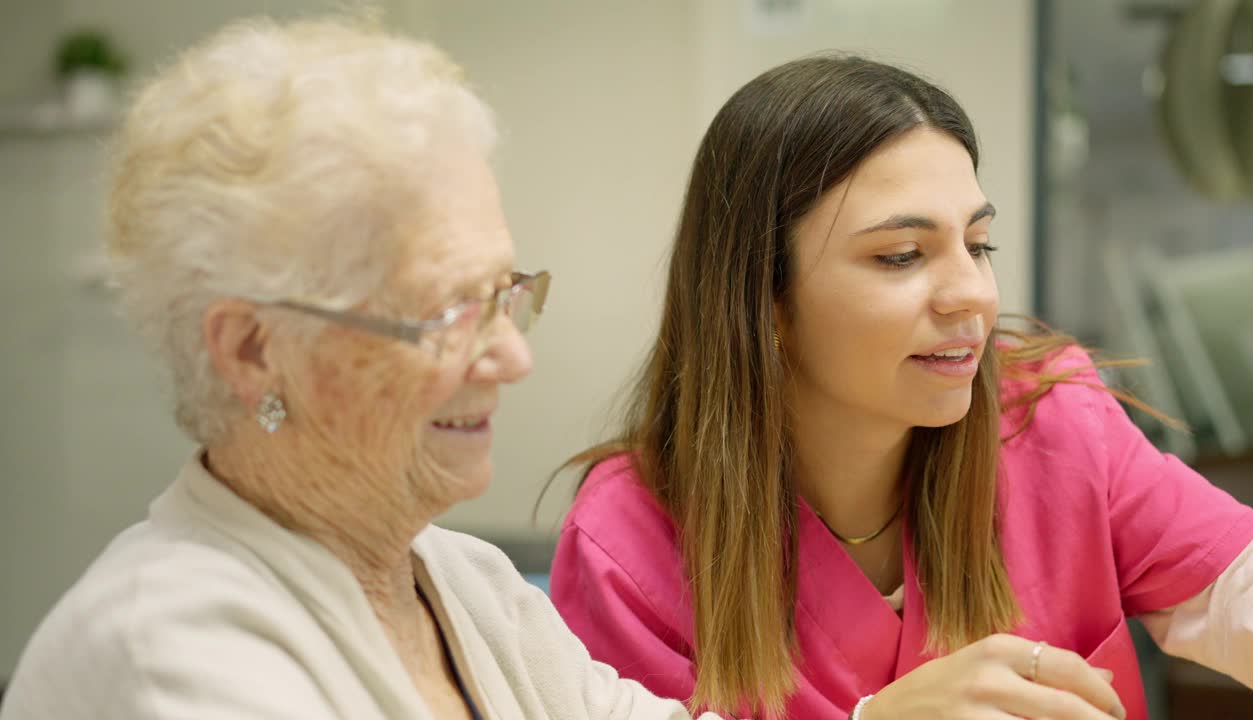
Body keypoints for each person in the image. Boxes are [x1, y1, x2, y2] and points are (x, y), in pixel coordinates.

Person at [0, 17, 725, 720]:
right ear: (254, 350)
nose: (513, 356)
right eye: (447, 312)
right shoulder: (167, 660)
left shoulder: (463, 580)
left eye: (504, 294)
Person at [549, 54, 1253, 720]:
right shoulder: (629, 543)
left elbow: (1248, 590)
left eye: (978, 244)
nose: (972, 295)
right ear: (762, 298)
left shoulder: (1049, 417)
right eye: (902, 256)